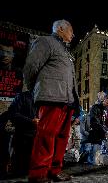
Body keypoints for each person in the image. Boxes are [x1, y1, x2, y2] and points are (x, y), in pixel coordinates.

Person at [23, 19, 79, 182]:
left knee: (62, 137)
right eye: (71, 31)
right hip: (51, 97)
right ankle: (39, 172)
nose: (73, 34)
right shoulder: (45, 42)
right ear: (60, 29)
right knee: (46, 135)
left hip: (66, 99)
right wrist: (37, 89)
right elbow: (30, 67)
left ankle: (55, 169)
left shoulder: (67, 52)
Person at [87, 92, 108, 165]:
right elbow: (94, 121)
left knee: (103, 155)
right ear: (103, 99)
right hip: (97, 135)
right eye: (107, 102)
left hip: (104, 135)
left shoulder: (107, 109)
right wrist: (104, 130)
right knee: (95, 158)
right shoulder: (95, 107)